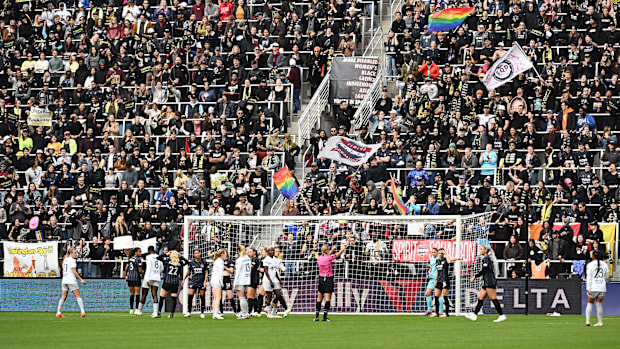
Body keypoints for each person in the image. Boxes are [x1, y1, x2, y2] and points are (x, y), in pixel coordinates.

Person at [465, 245, 506, 322]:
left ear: (486, 250)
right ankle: (474, 315)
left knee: (493, 299)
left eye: (481, 249)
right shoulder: (485, 259)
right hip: (486, 281)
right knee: (480, 298)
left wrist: (475, 276)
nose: (480, 250)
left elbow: (484, 270)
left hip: (489, 282)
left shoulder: (487, 259)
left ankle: (501, 315)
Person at [314, 242, 348, 322]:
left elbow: (328, 254)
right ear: (327, 250)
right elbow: (339, 253)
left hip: (321, 278)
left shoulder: (319, 257)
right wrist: (345, 246)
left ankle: (316, 317)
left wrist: (332, 249)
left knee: (319, 298)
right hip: (329, 279)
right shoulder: (329, 258)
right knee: (327, 298)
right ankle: (324, 317)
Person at [157, 250, 189, 318]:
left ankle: (159, 312)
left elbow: (158, 258)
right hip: (175, 283)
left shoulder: (168, 261)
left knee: (162, 297)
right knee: (173, 298)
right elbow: (187, 262)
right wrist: (181, 257)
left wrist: (165, 254)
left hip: (167, 282)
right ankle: (172, 313)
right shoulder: (180, 263)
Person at [56, 248, 87, 318]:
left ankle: (58, 312)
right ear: (71, 253)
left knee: (63, 297)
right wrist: (80, 279)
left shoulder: (65, 260)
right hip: (71, 280)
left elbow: (63, 271)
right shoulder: (72, 260)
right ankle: (82, 312)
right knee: (78, 296)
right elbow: (74, 271)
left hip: (64, 280)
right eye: (75, 253)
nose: (76, 254)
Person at [431, 248, 460, 317]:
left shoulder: (446, 260)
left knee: (445, 296)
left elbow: (449, 261)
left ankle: (446, 313)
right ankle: (436, 312)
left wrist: (446, 254)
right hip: (439, 280)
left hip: (445, 280)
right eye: (439, 253)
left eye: (442, 253)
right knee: (436, 296)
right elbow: (437, 271)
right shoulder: (437, 261)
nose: (440, 254)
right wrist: (435, 280)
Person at [137, 246, 162, 317]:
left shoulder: (148, 257)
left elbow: (148, 268)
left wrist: (147, 279)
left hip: (149, 277)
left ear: (148, 251)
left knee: (144, 294)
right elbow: (162, 268)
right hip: (157, 277)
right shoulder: (159, 257)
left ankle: (139, 311)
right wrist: (157, 273)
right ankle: (155, 313)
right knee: (154, 294)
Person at [585, 250, 609, 327]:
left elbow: (589, 277)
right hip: (601, 287)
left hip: (592, 287)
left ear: (593, 256)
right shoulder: (605, 265)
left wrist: (588, 287)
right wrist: (602, 282)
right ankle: (600, 321)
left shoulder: (590, 265)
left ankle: (588, 321)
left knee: (590, 304)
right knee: (599, 304)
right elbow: (606, 276)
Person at [183, 249, 208, 318]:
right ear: (193, 255)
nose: (197, 254)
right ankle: (188, 312)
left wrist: (205, 281)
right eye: (195, 253)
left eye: (198, 253)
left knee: (202, 297)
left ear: (200, 253)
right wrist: (184, 279)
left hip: (201, 281)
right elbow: (188, 271)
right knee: (190, 296)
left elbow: (206, 272)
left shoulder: (204, 261)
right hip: (193, 281)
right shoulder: (192, 262)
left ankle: (202, 312)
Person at [261, 246, 282, 319]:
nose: (272, 252)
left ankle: (269, 308)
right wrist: (270, 281)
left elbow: (275, 271)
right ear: (267, 252)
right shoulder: (266, 259)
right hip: (267, 280)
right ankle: (269, 314)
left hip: (275, 279)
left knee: (278, 294)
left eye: (273, 250)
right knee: (269, 296)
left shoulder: (275, 259)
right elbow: (266, 271)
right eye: (271, 251)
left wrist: (279, 280)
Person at [123, 248, 143, 314]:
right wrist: (144, 274)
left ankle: (131, 309)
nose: (141, 253)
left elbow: (126, 268)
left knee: (132, 294)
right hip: (136, 278)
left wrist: (125, 276)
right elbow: (140, 270)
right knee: (137, 293)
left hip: (130, 278)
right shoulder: (138, 260)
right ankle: (137, 309)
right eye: (139, 252)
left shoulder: (130, 259)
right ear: (136, 252)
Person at [234, 245, 252, 319]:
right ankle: (244, 311)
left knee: (241, 298)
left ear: (238, 251)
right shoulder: (248, 258)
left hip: (241, 280)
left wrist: (235, 283)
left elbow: (237, 272)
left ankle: (245, 313)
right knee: (244, 297)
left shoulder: (239, 260)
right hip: (247, 279)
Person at [423, 248, 441, 316]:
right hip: (431, 279)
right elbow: (430, 268)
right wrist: (428, 274)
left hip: (437, 279)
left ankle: (440, 311)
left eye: (434, 252)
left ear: (437, 252)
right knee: (427, 293)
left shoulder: (439, 259)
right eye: (432, 252)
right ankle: (429, 310)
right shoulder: (432, 260)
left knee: (438, 295)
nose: (433, 253)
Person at [210, 249, 226, 319]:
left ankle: (214, 312)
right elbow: (220, 273)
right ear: (222, 254)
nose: (226, 255)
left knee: (215, 297)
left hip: (213, 281)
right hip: (217, 281)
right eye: (225, 254)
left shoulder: (216, 261)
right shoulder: (220, 262)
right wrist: (221, 282)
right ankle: (216, 313)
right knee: (218, 297)